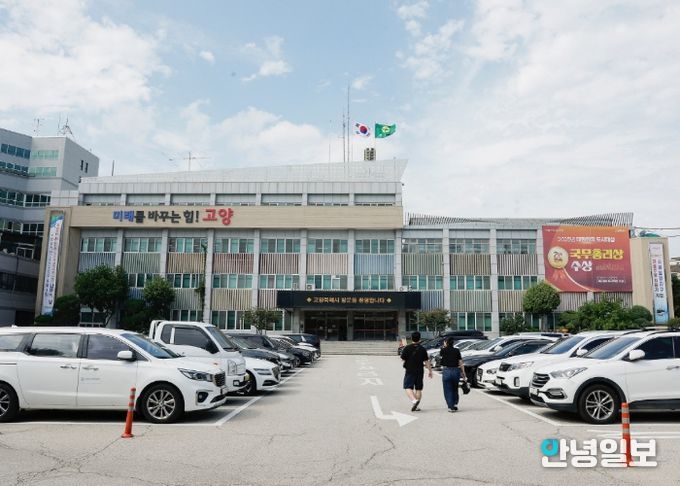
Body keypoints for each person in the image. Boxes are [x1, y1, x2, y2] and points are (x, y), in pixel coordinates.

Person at [400, 331, 432, 411]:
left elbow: (403, 359)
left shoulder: (407, 348)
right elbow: (426, 361)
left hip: (410, 370)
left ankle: (414, 401)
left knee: (407, 386)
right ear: (419, 339)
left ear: (411, 338)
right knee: (418, 388)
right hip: (420, 371)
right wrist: (430, 371)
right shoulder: (422, 349)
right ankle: (416, 406)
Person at [440, 337, 466, 412]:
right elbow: (460, 362)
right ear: (453, 343)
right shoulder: (457, 350)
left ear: (446, 343)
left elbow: (441, 355)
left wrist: (444, 346)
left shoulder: (443, 350)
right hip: (455, 370)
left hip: (446, 370)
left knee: (447, 389)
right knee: (455, 388)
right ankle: (455, 404)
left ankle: (450, 406)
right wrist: (463, 372)